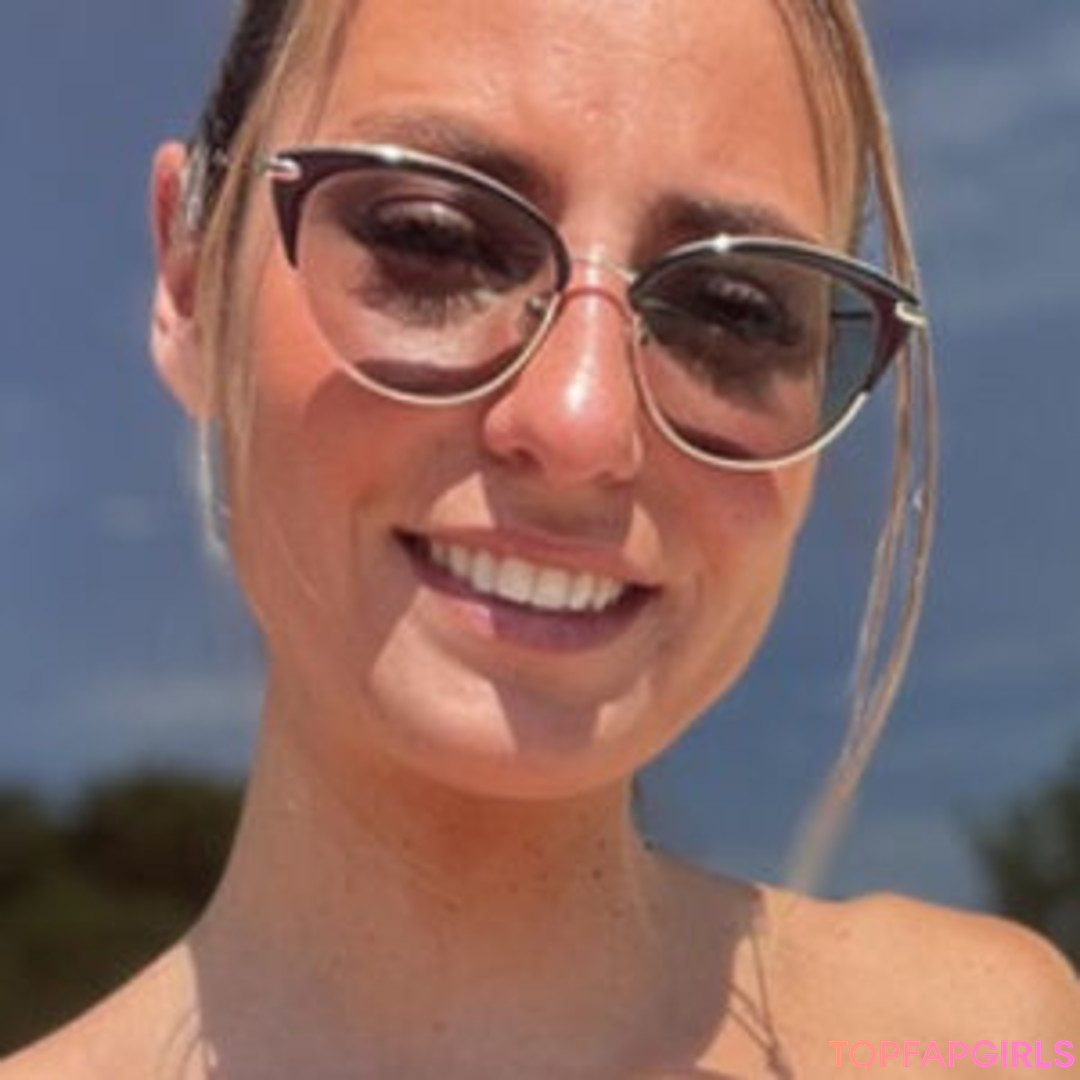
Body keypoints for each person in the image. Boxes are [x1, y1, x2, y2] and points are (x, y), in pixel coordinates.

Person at [4, 1, 1076, 1077]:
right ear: (191, 280)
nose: (579, 422)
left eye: (734, 310)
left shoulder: (989, 1043)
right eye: (431, 240)